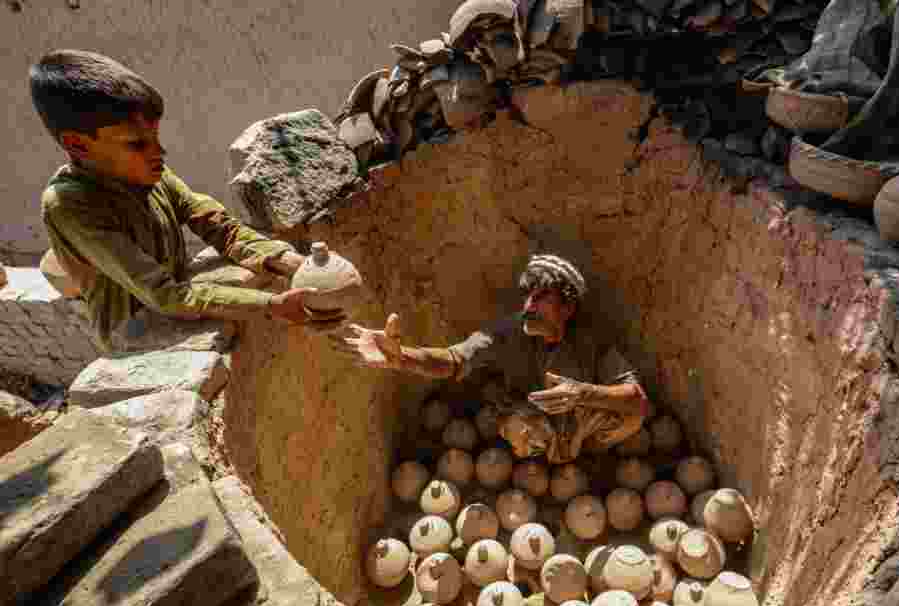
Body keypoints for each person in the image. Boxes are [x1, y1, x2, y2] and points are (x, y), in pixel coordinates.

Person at [29, 49, 321, 355]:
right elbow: (164, 294)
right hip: (136, 334)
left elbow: (217, 225)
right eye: (137, 143)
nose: (159, 152)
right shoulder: (70, 205)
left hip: (176, 296)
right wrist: (272, 305)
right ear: (77, 144)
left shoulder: (147, 170)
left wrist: (284, 260)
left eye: (154, 137)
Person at [338, 254, 652, 464]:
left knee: (630, 416)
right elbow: (454, 359)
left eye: (541, 297)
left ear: (567, 308)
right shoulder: (507, 332)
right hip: (528, 414)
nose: (529, 305)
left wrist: (583, 392)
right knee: (520, 430)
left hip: (577, 417)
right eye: (528, 296)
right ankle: (540, 465)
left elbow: (637, 400)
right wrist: (403, 357)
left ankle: (589, 462)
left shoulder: (590, 340)